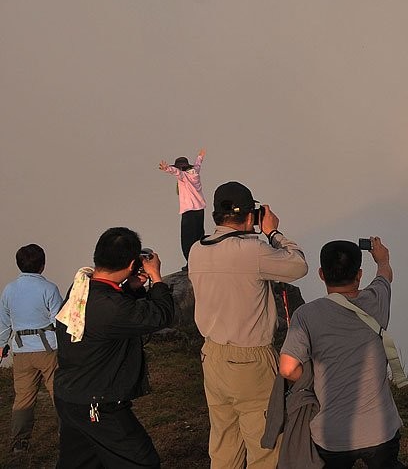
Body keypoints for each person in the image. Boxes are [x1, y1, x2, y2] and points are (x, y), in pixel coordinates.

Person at [188, 181, 308, 468]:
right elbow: (298, 265)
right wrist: (274, 233)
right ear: (251, 214)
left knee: (224, 442)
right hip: (251, 360)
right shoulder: (252, 252)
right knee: (265, 444)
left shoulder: (197, 250)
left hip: (212, 355)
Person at [279, 237, 408, 469]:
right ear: (359, 275)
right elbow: (385, 275)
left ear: (321, 273)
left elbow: (287, 368)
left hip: (331, 435)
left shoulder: (306, 315)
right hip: (381, 430)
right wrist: (383, 259)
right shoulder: (377, 300)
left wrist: (312, 378)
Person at [53, 227, 174, 469]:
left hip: (71, 396)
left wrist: (131, 287)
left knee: (81, 462)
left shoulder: (80, 290)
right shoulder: (112, 307)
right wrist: (157, 278)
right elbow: (162, 315)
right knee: (142, 462)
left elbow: (110, 313)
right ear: (132, 263)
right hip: (97, 404)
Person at [0, 243, 64, 454]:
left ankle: (19, 442)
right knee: (59, 393)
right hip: (48, 349)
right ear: (42, 265)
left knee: (23, 398)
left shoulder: (9, 289)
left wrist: (1, 346)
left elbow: (4, 323)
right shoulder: (49, 288)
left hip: (21, 351)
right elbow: (60, 320)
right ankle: (67, 435)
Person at [158, 147, 206, 269]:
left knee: (187, 239)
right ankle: (200, 259)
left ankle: (190, 262)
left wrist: (167, 169)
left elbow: (176, 172)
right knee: (199, 235)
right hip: (200, 210)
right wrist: (200, 157)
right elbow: (197, 165)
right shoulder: (195, 172)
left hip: (189, 211)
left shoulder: (184, 176)